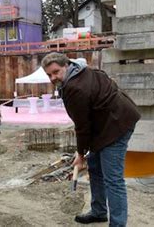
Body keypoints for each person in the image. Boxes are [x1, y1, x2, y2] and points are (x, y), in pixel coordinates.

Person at [41, 53, 140, 226]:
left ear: (66, 65)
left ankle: (117, 224)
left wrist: (80, 154)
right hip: (104, 124)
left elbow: (82, 126)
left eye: (56, 72)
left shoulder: (75, 88)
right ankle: (99, 211)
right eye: (49, 75)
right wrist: (86, 153)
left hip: (117, 125)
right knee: (94, 167)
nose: (53, 77)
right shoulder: (81, 70)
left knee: (113, 179)